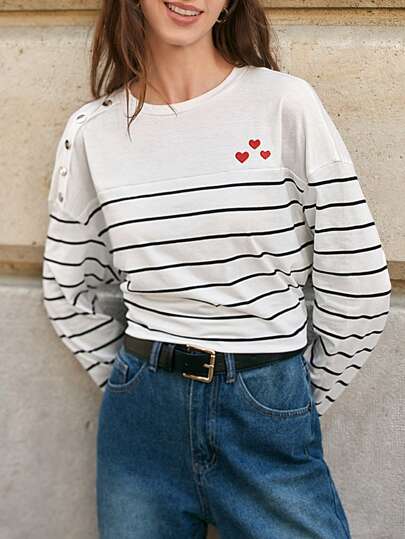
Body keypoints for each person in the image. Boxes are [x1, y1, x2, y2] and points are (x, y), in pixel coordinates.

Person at [41, 1, 391, 537]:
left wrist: (292, 399)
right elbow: (68, 288)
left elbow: (358, 282)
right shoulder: (92, 131)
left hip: (266, 408)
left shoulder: (284, 104)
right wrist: (130, 385)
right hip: (141, 422)